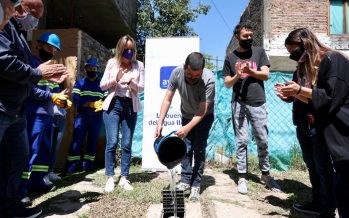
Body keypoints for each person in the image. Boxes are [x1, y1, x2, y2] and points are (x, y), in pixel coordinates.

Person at [0, 0, 68, 217]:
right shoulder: (4, 28)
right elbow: (5, 63)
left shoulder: (15, 31)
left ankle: (8, 206)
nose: (34, 19)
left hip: (16, 109)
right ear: (18, 7)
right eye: (33, 12)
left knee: (17, 158)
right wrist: (39, 76)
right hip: (7, 107)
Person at [278, 27, 349, 218]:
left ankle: (326, 208)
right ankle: (321, 204)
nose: (292, 56)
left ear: (306, 43)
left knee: (329, 172)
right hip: (312, 125)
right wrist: (291, 93)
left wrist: (298, 91)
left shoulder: (333, 60)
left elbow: (327, 98)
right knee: (320, 169)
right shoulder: (301, 68)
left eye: (293, 51)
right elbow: (312, 97)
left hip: (335, 131)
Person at [223, 23, 281, 194]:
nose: (249, 38)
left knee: (262, 139)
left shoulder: (259, 52)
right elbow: (227, 83)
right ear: (237, 37)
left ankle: (266, 175)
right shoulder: (230, 57)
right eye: (245, 36)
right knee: (241, 141)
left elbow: (266, 75)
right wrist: (237, 75)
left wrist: (250, 71)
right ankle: (242, 177)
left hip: (258, 101)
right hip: (238, 103)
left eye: (250, 35)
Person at [19, 32, 72, 206]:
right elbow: (30, 90)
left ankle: (38, 181)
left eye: (54, 49)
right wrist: (51, 97)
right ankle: (22, 190)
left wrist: (62, 100)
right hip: (33, 114)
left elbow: (53, 91)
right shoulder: (32, 65)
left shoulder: (51, 67)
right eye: (49, 47)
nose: (52, 51)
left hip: (48, 114)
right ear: (39, 45)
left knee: (44, 150)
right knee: (30, 152)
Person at [155, 52, 215, 202]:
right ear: (184, 67)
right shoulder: (176, 73)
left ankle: (196, 185)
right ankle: (185, 181)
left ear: (202, 70)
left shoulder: (209, 80)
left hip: (204, 117)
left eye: (196, 76)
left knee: (199, 148)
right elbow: (167, 99)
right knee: (186, 148)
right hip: (187, 114)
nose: (193, 79)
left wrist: (187, 128)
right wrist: (160, 121)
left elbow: (202, 111)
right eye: (189, 75)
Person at [101, 35, 144, 192]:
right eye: (126, 49)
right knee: (112, 142)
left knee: (126, 143)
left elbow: (141, 87)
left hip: (129, 106)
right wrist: (116, 79)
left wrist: (130, 82)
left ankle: (124, 178)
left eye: (131, 49)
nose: (129, 52)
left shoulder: (139, 65)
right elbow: (102, 85)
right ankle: (110, 178)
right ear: (120, 49)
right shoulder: (112, 63)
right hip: (114, 105)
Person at [65, 57, 105, 174]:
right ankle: (71, 168)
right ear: (86, 69)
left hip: (96, 118)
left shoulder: (101, 85)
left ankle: (88, 167)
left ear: (97, 70)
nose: (92, 70)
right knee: (77, 141)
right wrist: (90, 104)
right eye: (89, 68)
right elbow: (76, 99)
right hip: (82, 116)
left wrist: (102, 104)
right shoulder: (80, 83)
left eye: (94, 68)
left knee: (92, 141)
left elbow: (106, 98)